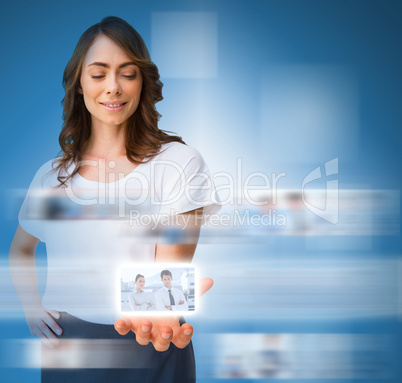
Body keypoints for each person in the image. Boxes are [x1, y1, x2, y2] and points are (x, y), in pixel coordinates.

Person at [9, 16, 219, 382]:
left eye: (128, 73)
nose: (113, 87)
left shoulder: (178, 163)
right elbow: (20, 250)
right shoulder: (51, 177)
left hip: (152, 343)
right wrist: (31, 307)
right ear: (79, 85)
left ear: (143, 83)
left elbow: (169, 265)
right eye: (98, 73)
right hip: (68, 348)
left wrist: (157, 319)